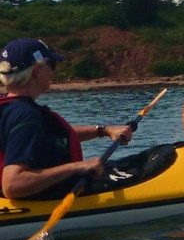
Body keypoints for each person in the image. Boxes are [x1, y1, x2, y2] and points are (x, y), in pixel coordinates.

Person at [0, 38, 134, 200]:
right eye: (52, 65)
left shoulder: (10, 108)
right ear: (37, 70)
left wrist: (103, 131)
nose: (53, 72)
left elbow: (47, 135)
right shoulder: (25, 116)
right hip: (38, 201)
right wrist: (78, 167)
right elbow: (12, 185)